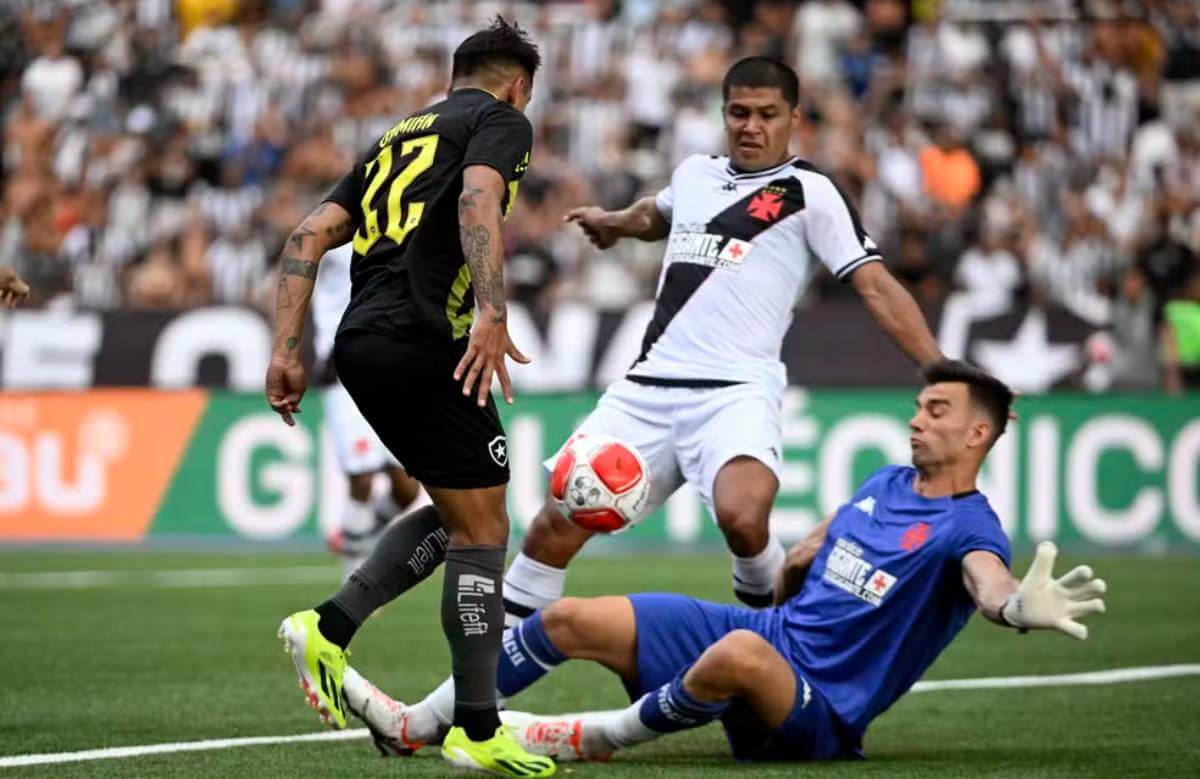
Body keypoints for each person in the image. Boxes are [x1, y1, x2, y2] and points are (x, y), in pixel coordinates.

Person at [340, 360, 1108, 763]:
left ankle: (588, 736)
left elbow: (988, 582)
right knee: (566, 615)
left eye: (937, 411)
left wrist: (1013, 607)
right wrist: (801, 562)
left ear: (978, 435)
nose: (916, 417)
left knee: (737, 649)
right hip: (771, 636)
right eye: (918, 405)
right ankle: (424, 722)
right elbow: (804, 564)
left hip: (819, 709)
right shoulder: (884, 483)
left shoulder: (969, 526)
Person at [502, 56, 943, 622]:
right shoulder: (695, 173)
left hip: (735, 390)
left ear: (793, 119)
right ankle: (484, 695)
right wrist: (614, 223)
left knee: (743, 516)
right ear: (723, 114)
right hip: (647, 388)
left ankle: (779, 638)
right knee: (552, 527)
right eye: (739, 113)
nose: (750, 126)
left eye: (766, 114)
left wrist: (940, 367)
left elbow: (877, 287)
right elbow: (656, 214)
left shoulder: (809, 191)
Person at [265, 17, 555, 777]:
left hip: (359, 343)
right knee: (487, 525)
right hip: (425, 339)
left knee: (468, 512)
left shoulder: (398, 135)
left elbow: (306, 236)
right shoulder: (503, 121)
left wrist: (285, 350)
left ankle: (331, 625)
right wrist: (491, 308)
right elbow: (480, 197)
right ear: (517, 84)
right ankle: (476, 726)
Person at [310, 243, 421, 579]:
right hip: (341, 366)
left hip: (391, 368)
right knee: (363, 476)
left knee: (407, 488)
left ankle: (358, 535)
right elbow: (299, 251)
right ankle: (353, 576)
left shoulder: (404, 229)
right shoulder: (339, 232)